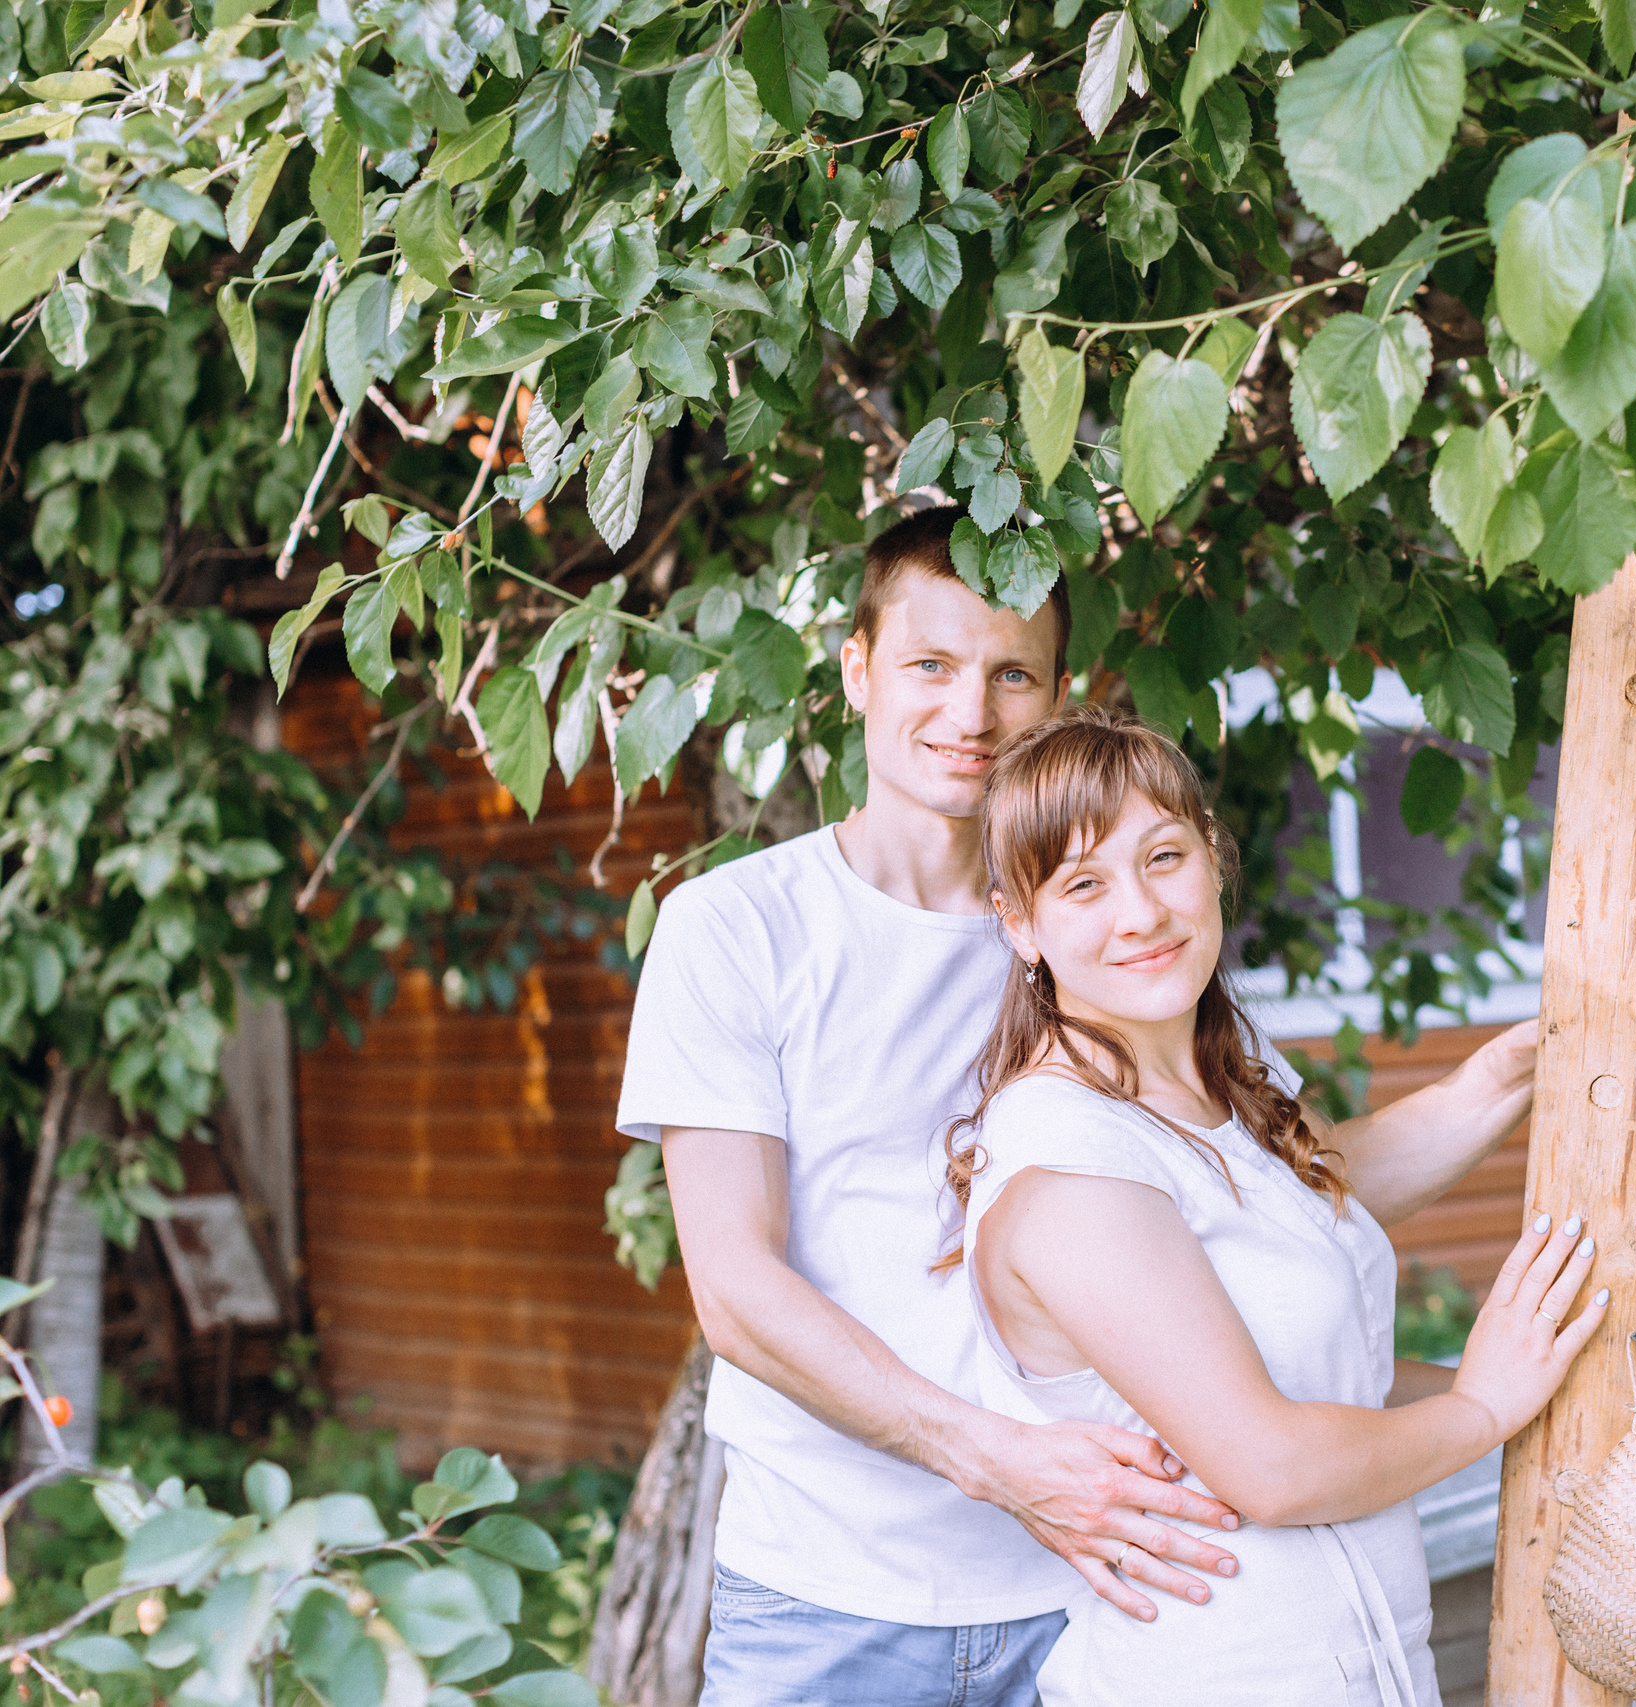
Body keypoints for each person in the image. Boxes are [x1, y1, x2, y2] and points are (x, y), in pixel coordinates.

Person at [616, 507, 1549, 1707]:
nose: (970, 712)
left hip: (1097, 1585)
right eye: (930, 665)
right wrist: (1000, 1464)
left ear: (1059, 694)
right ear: (856, 671)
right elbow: (736, 1292)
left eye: (1011, 674)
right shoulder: (738, 928)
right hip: (840, 1591)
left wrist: (1495, 1084)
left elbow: (1266, 1189)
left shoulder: (1111, 933)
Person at [950, 704, 1607, 1706]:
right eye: (1084, 883)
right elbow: (1271, 1464)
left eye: (1163, 857)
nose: (1141, 912)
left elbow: (1323, 1327)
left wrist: (1552, 1380)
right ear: (1018, 923)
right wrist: (1481, 1407)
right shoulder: (1070, 1163)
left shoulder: (1220, 1083)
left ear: (1212, 855)